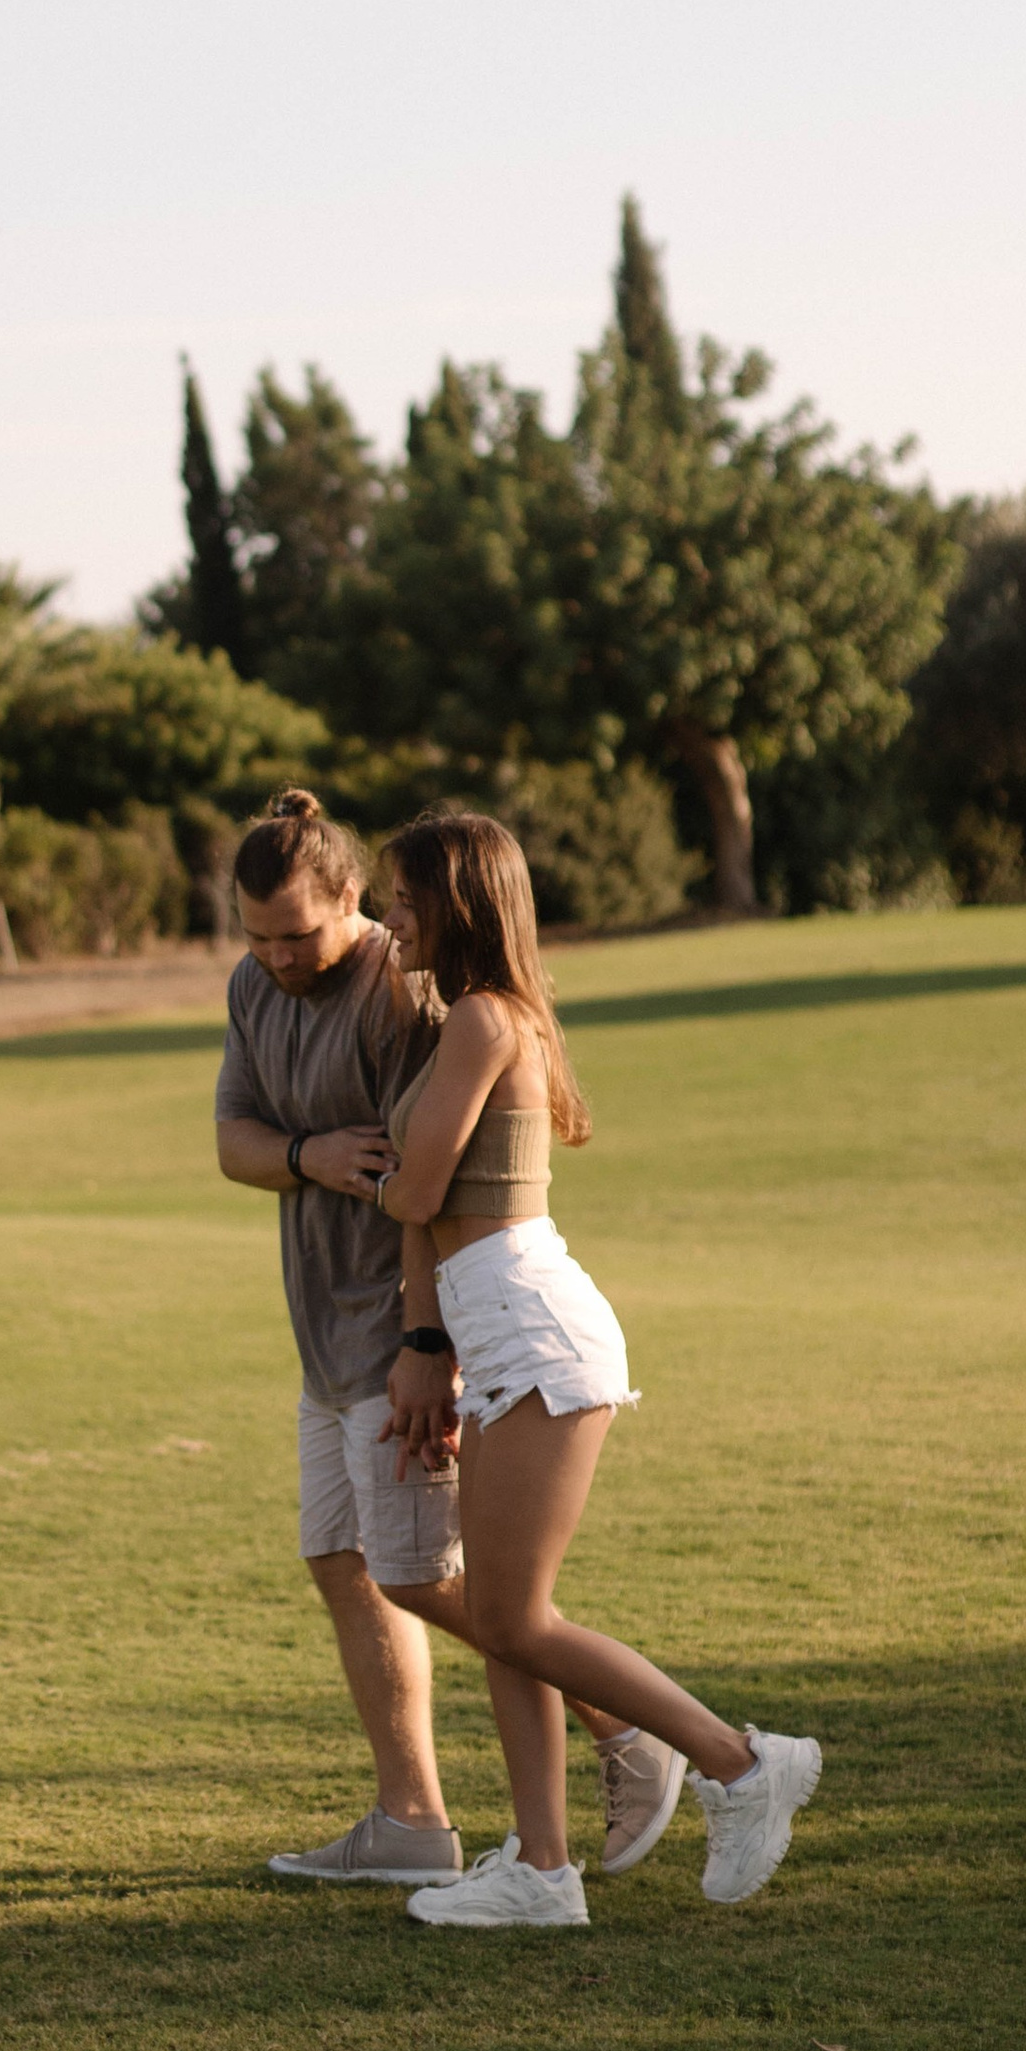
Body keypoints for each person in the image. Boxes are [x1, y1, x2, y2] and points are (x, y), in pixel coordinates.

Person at [375, 801, 823, 1929]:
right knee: (499, 1606)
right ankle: (541, 1869)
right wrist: (426, 1332)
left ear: (457, 902)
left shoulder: (480, 1018)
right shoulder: (470, 1015)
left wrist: (359, 1168)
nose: (389, 916)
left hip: (533, 1331)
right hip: (498, 1332)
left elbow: (418, 1196)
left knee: (515, 1617)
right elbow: (425, 1210)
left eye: (404, 896)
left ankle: (738, 1762)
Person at [213, 787, 471, 1890]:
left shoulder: (400, 993)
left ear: (350, 898)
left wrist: (433, 1342)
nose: (275, 957)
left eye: (297, 935)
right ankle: (410, 1820)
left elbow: (440, 1185)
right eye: (257, 936)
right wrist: (306, 1153)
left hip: (397, 1333)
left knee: (427, 1577)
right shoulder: (249, 986)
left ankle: (623, 1725)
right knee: (341, 1561)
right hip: (320, 1339)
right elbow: (232, 1142)